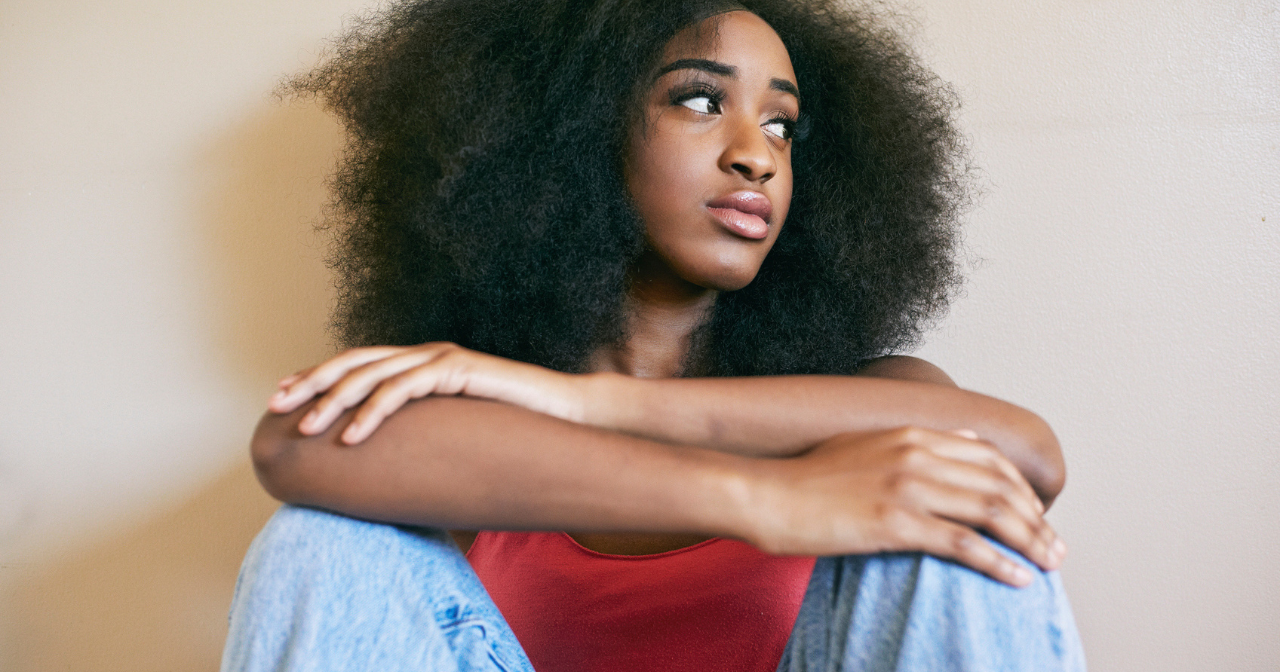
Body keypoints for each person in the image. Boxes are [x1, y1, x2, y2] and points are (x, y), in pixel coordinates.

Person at [222, 0, 1086, 669]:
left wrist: (588, 401)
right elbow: (299, 446)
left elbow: (1026, 452)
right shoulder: (475, 428)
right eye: (701, 100)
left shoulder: (865, 403)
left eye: (782, 124)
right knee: (324, 539)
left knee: (949, 511)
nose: (758, 153)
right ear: (573, 133)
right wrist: (769, 501)